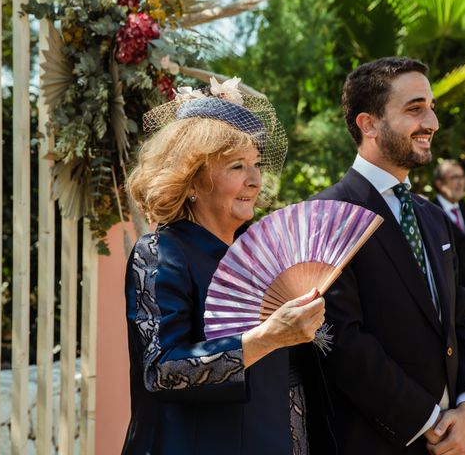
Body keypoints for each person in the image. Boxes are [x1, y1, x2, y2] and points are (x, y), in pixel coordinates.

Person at [122, 86, 328, 455]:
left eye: (256, 165)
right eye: (237, 166)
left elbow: (289, 382)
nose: (255, 180)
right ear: (193, 180)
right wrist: (267, 337)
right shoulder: (160, 254)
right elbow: (163, 370)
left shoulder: (265, 256)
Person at [311, 57, 465, 454]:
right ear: (368, 124)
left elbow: (461, 320)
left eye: (431, 107)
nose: (432, 123)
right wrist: (429, 420)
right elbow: (340, 340)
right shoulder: (326, 215)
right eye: (414, 108)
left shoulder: (434, 217)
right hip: (373, 439)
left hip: (451, 437)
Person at [432, 160, 465, 320]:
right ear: (439, 184)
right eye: (454, 178)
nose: (460, 183)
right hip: (446, 299)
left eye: (462, 177)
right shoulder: (430, 213)